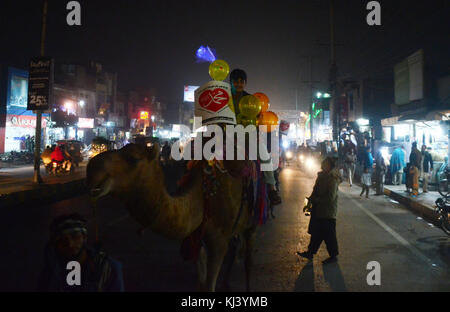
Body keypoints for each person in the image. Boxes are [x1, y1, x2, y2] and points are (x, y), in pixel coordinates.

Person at [230, 68, 281, 205]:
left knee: (265, 157)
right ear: (231, 82)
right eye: (236, 81)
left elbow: (257, 118)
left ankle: (272, 188)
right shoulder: (224, 99)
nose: (239, 84)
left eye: (241, 82)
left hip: (247, 137)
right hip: (225, 136)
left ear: (245, 83)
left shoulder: (250, 100)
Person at [37, 213, 124, 292]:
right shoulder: (52, 272)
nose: (70, 244)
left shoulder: (107, 268)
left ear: (84, 237)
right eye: (62, 240)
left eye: (75, 236)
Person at [297, 157, 342, 264]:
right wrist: (309, 201)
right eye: (324, 163)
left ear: (330, 166)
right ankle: (310, 252)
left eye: (326, 164)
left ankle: (333, 256)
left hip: (328, 212)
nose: (324, 165)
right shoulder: (321, 176)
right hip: (318, 210)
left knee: (329, 235)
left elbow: (330, 198)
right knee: (316, 233)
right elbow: (315, 190)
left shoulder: (333, 179)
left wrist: (317, 200)